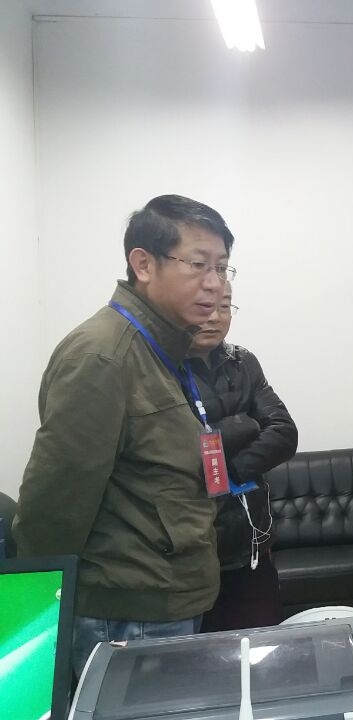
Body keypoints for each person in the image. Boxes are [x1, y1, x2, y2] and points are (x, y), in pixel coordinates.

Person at [14, 194, 235, 673]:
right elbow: (55, 502)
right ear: (143, 264)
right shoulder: (103, 356)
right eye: (198, 264)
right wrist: (39, 609)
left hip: (163, 596)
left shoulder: (164, 348)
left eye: (222, 268)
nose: (214, 284)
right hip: (126, 613)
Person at [186, 283, 298, 631]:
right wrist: (243, 426)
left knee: (261, 647)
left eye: (224, 307)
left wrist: (229, 469)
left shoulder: (242, 362)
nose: (215, 317)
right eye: (205, 307)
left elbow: (284, 433)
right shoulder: (160, 367)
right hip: (190, 548)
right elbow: (172, 451)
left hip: (251, 542)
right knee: (196, 655)